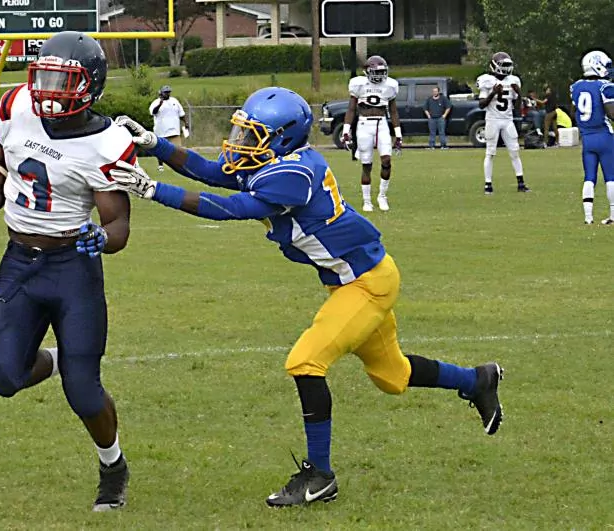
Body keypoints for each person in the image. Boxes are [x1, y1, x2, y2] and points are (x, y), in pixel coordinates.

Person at [108, 87, 505, 508]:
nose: (241, 142)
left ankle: (320, 475)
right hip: (352, 280)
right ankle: (477, 380)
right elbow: (212, 171)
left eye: (253, 134)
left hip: (367, 284)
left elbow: (228, 207)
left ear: (282, 138)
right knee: (393, 377)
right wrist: (155, 144)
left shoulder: (293, 174)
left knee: (305, 361)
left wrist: (154, 190)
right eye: (244, 131)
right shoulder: (273, 160)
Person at [0, 31, 134, 512]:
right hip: (19, 262)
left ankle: (113, 466)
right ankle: (57, 358)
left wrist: (101, 238)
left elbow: (118, 224)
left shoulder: (107, 142)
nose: (49, 91)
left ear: (90, 85)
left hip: (73, 268)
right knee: (3, 374)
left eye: (63, 80)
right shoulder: (16, 105)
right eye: (44, 77)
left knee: (83, 391)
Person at [342, 55, 403, 212]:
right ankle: (367, 200)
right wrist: (346, 131)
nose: (379, 76)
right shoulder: (358, 84)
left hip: (381, 124)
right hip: (364, 125)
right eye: (376, 72)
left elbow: (393, 112)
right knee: (366, 165)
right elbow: (351, 109)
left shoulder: (390, 86)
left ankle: (382, 196)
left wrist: (398, 134)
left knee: (387, 160)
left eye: (382, 72)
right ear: (367, 72)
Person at [476, 51, 531, 194]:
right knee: (490, 153)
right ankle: (488, 185)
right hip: (492, 120)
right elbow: (481, 104)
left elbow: (517, 108)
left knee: (515, 152)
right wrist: (493, 93)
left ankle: (521, 183)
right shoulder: (487, 80)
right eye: (503, 65)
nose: (506, 68)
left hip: (508, 120)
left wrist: (519, 94)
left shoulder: (513, 80)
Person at [570, 50, 614, 225]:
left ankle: (588, 217)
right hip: (604, 136)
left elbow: (575, 112)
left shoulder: (576, 87)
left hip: (587, 138)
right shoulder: (605, 86)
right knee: (610, 176)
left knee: (589, 177)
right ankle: (613, 215)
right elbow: (611, 113)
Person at [149, 85, 188, 173]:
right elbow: (153, 112)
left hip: (174, 130)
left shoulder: (174, 101)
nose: (167, 94)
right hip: (161, 131)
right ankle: (160, 165)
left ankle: (178, 165)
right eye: (166, 92)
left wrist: (186, 123)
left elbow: (181, 113)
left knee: (178, 149)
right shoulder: (156, 102)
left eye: (169, 92)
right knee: (160, 149)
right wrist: (160, 104)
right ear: (161, 93)